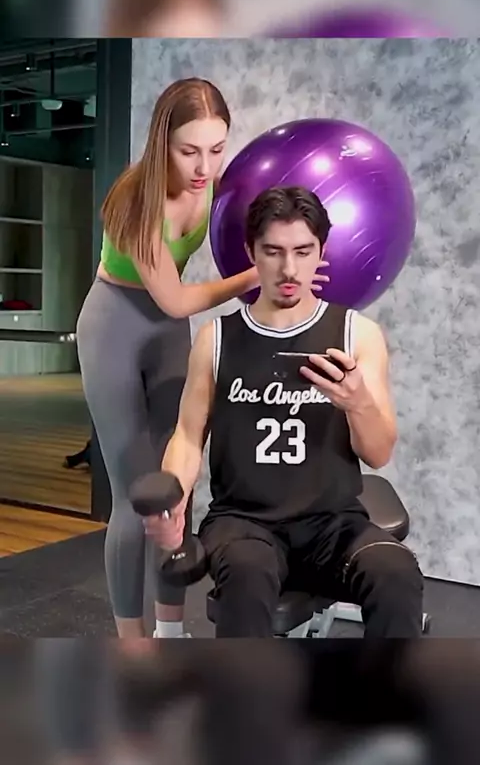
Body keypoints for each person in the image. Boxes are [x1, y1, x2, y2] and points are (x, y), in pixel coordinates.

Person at [145, 184, 424, 637]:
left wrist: (358, 403)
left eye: (303, 251)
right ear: (251, 252)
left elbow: (378, 453)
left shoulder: (357, 335)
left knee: (396, 573)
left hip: (332, 524)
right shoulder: (217, 338)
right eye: (273, 252)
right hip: (242, 522)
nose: (289, 269)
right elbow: (188, 436)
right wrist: (172, 498)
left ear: (322, 251)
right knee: (247, 577)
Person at [76, 77, 261, 639]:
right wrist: (252, 278)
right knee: (137, 497)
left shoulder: (214, 182)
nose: (204, 167)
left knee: (175, 486)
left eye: (216, 148)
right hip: (113, 327)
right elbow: (175, 298)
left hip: (167, 334)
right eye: (189, 151)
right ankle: (132, 646)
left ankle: (171, 631)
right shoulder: (138, 200)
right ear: (163, 143)